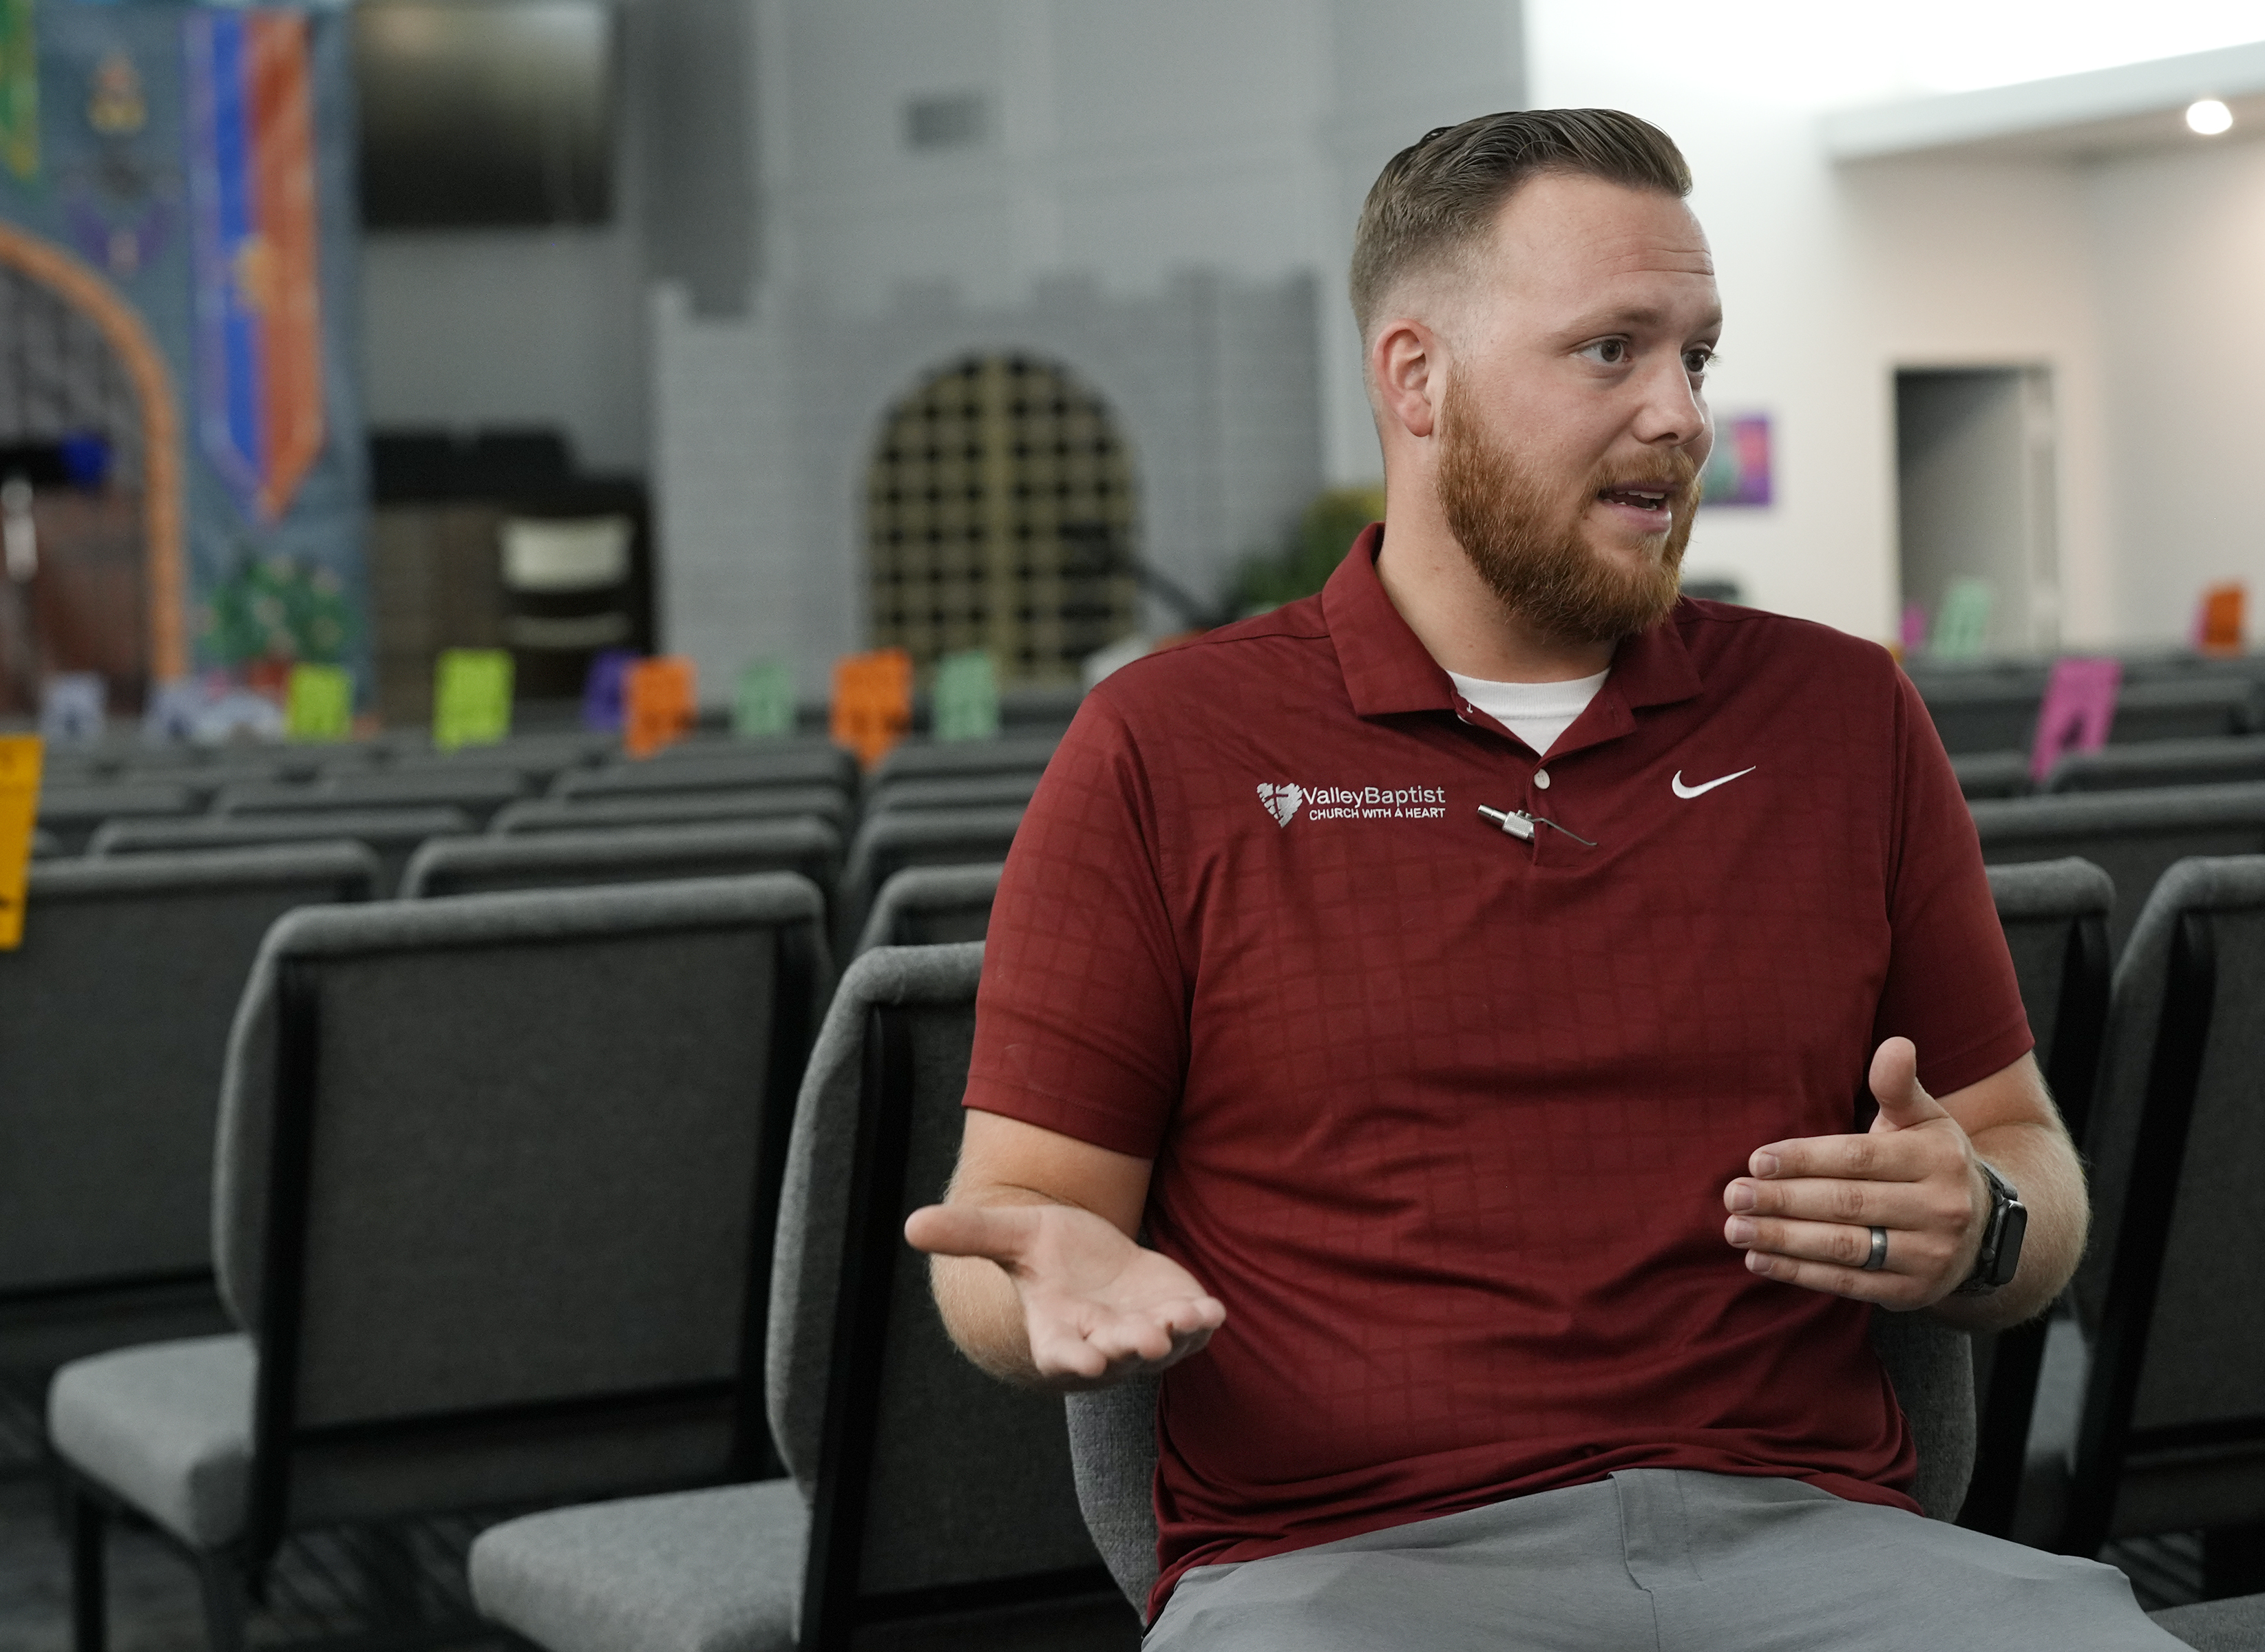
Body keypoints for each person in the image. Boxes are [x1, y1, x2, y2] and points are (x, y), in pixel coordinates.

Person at [904, 109, 2184, 1649]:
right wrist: (1051, 1279)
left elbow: (2029, 1172)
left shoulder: (1844, 716)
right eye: (1609, 351)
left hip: (1817, 1547)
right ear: (1415, 378)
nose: (1680, 414)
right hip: (1355, 1575)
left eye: (1695, 357)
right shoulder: (1163, 748)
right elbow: (1012, 1226)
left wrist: (1977, 1221)